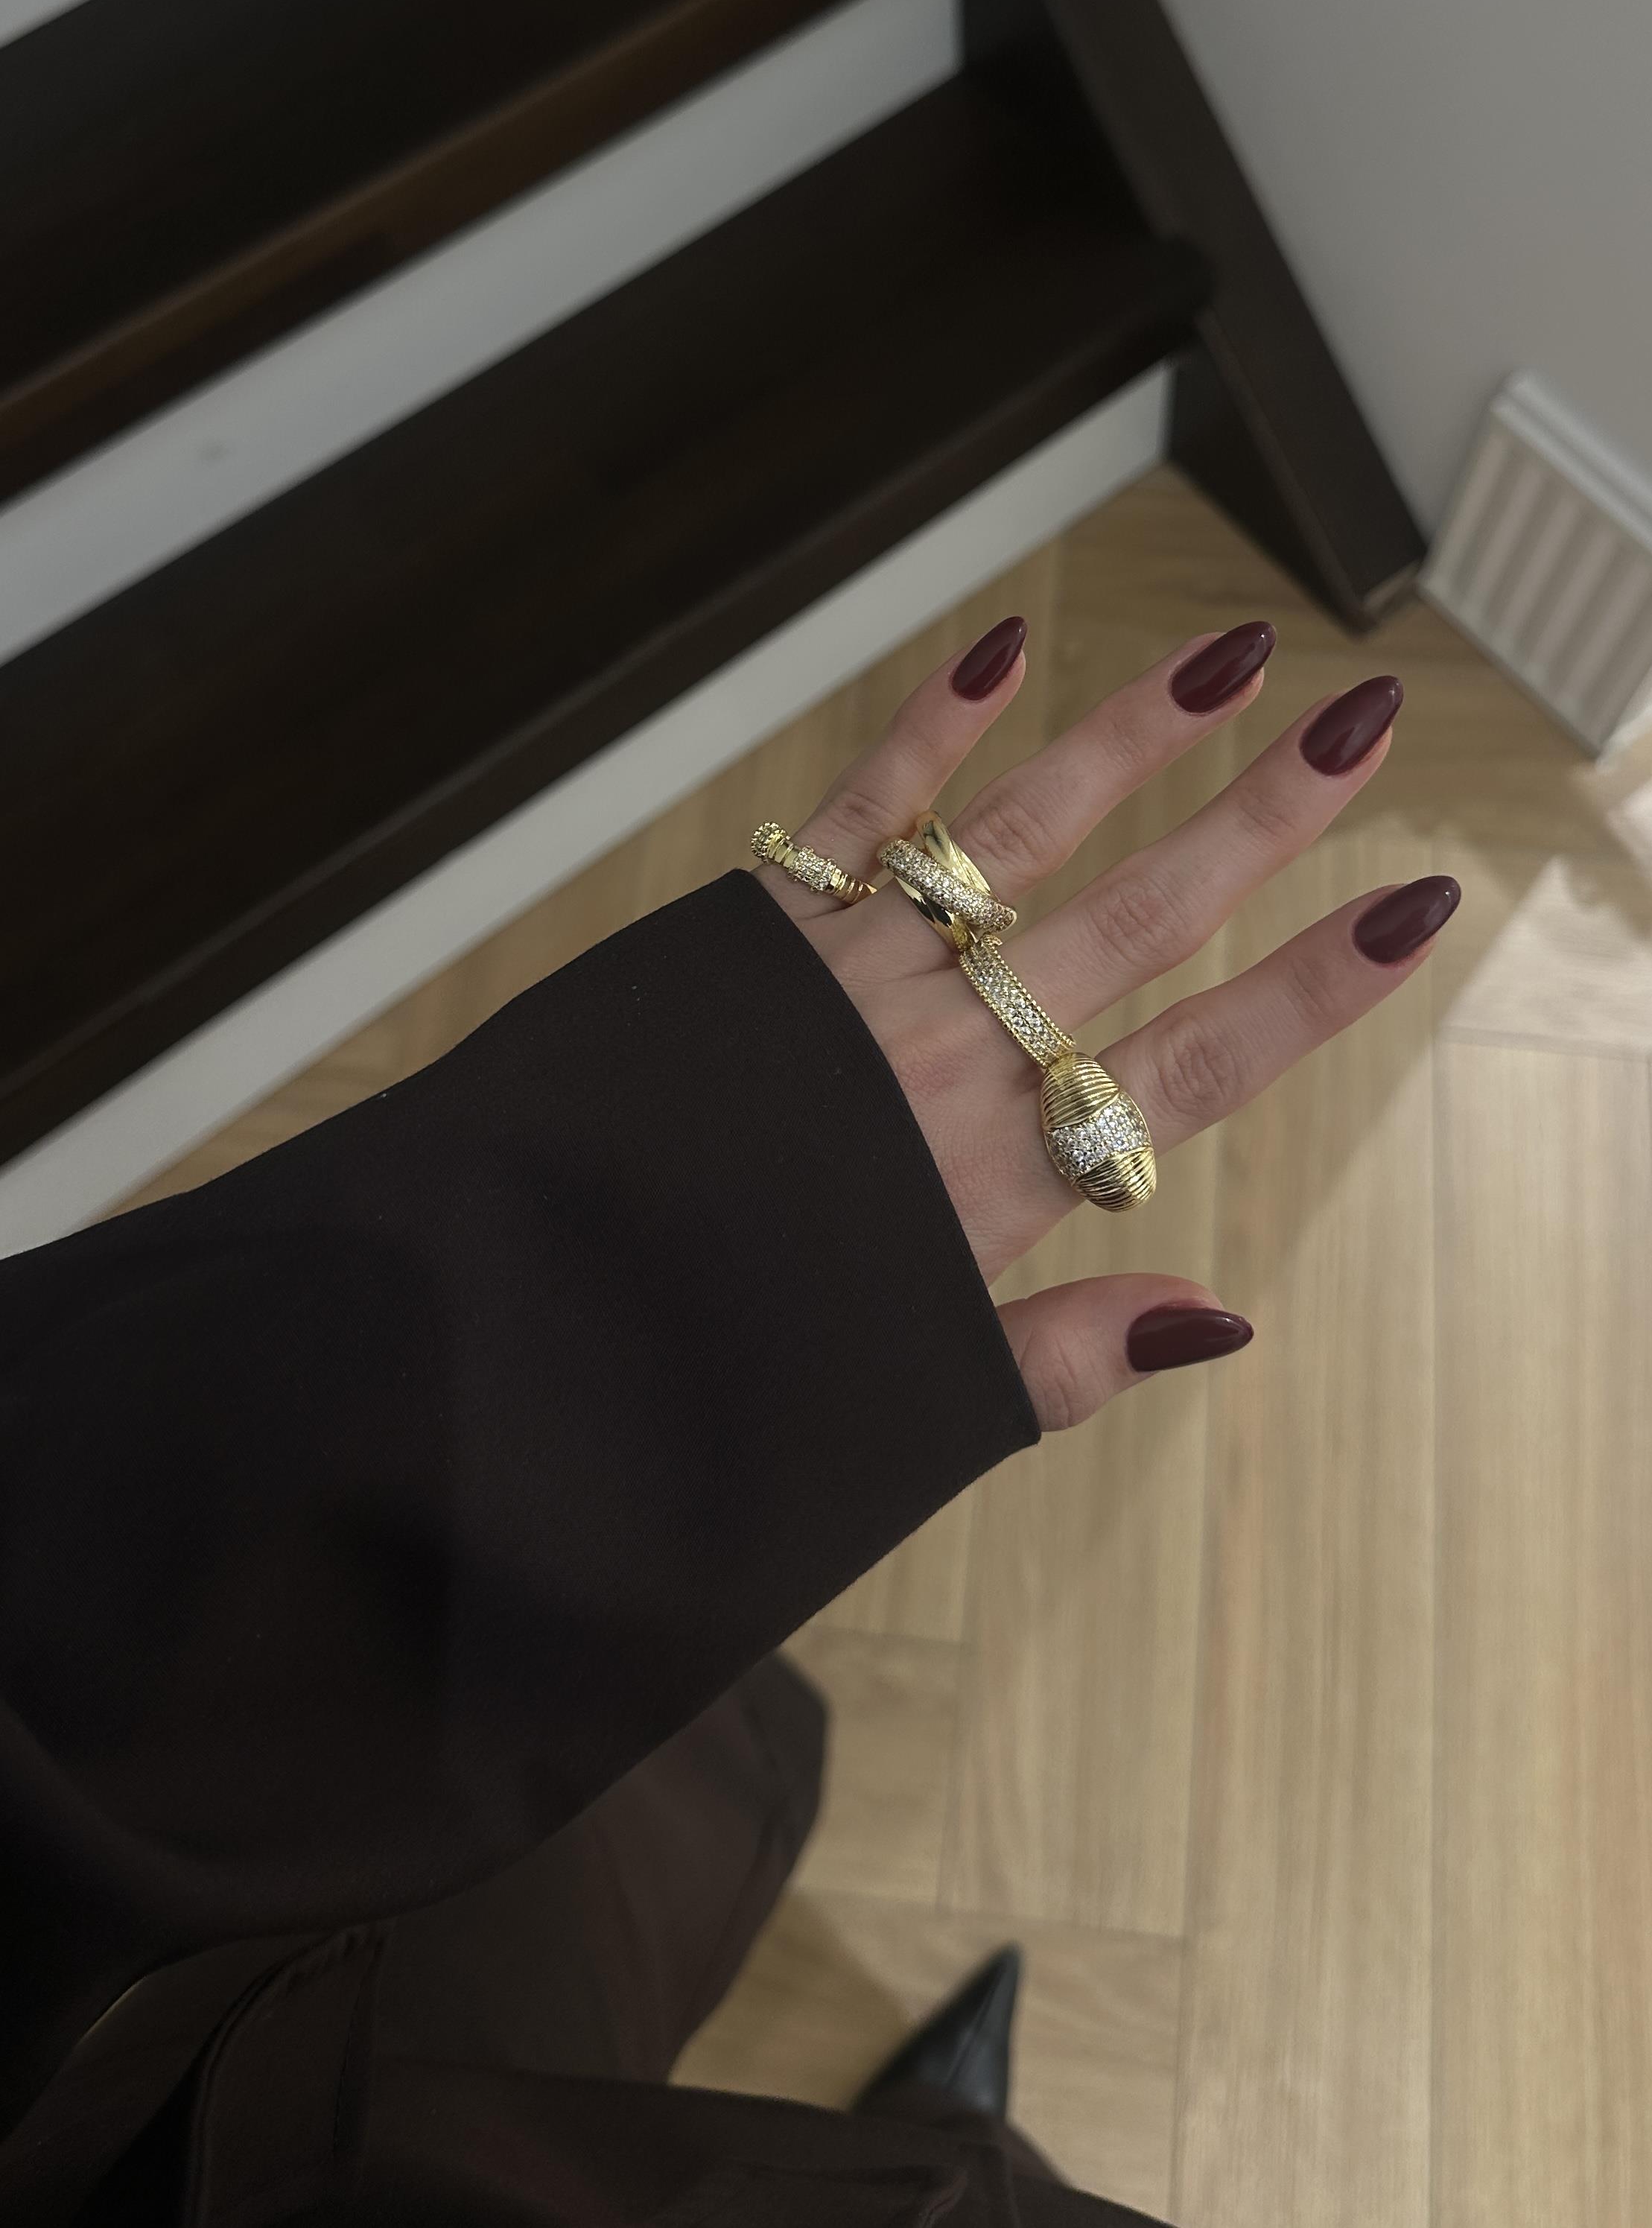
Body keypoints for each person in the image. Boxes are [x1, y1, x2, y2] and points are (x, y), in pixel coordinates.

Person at [0, 613, 1455, 2222]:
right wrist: (568, 1282)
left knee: (624, 1908)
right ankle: (931, 2155)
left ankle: (925, 2153)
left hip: (216, 1865)